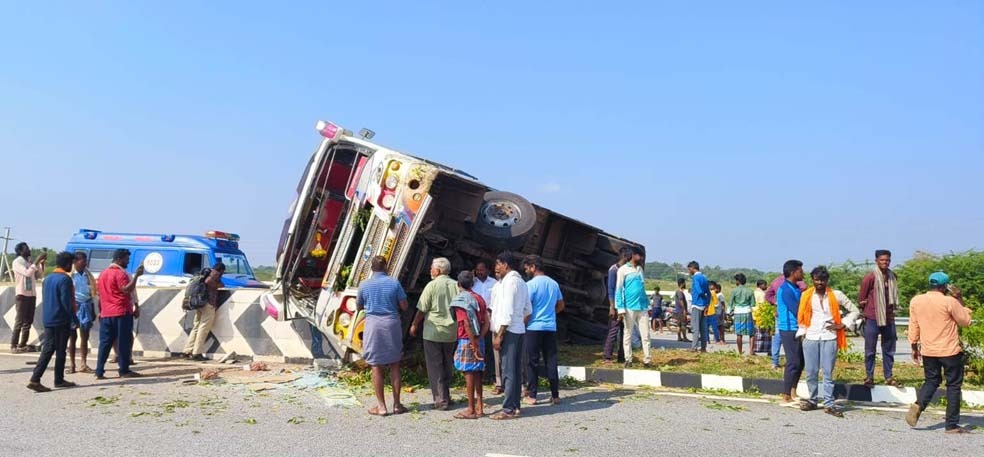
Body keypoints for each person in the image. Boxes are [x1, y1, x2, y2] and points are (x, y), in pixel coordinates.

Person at [905, 272, 974, 434]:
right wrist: (959, 298)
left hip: (928, 350)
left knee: (931, 380)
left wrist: (914, 347)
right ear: (945, 286)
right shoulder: (949, 301)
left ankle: (919, 405)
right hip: (949, 350)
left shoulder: (916, 300)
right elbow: (965, 321)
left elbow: (913, 325)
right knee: (953, 386)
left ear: (931, 284)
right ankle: (951, 425)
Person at [796, 266, 858, 417]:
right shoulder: (806, 295)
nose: (819, 283)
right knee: (811, 371)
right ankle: (813, 400)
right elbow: (802, 316)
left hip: (830, 337)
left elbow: (855, 310)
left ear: (827, 280)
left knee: (828, 372)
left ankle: (829, 403)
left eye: (822, 280)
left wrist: (842, 324)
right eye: (817, 280)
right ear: (812, 280)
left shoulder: (836, 295)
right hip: (811, 336)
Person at [357, 256, 409, 417]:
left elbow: (358, 306)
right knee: (395, 364)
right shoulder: (394, 283)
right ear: (385, 267)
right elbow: (404, 306)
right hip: (391, 324)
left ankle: (381, 407)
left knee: (376, 365)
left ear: (371, 268)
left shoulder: (364, 285)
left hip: (373, 326)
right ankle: (397, 405)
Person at [410, 257, 459, 411]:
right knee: (447, 363)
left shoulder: (431, 286)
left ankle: (440, 400)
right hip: (451, 331)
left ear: (437, 271)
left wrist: (414, 324)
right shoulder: (456, 285)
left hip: (433, 332)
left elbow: (422, 309)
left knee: (435, 366)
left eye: (431, 268)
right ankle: (446, 396)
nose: (430, 270)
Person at [27, 252, 77, 392]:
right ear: (68, 264)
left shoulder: (48, 278)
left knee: (49, 349)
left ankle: (46, 379)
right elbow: (66, 302)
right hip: (61, 319)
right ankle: (43, 379)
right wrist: (74, 318)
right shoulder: (65, 279)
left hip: (49, 318)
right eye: (71, 264)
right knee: (59, 350)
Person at [490, 252, 532, 420]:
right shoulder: (520, 282)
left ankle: (508, 409)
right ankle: (515, 406)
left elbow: (507, 311)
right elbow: (528, 310)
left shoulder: (510, 283)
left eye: (498, 265)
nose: (496, 268)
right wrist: (519, 323)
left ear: (506, 265)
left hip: (508, 331)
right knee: (513, 370)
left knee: (508, 371)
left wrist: (500, 334)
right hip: (517, 330)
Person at [521, 255, 565, 405]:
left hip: (533, 327)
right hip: (550, 327)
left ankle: (532, 395)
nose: (526, 270)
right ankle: (555, 395)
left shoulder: (531, 285)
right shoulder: (554, 284)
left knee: (532, 362)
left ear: (533, 267)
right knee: (551, 360)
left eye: (527, 267)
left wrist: (523, 324)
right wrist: (550, 314)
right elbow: (561, 305)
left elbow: (527, 309)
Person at [858, 249, 901, 388]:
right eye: (882, 260)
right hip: (873, 317)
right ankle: (869, 377)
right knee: (870, 350)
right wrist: (865, 312)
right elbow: (862, 298)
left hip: (889, 318)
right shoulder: (870, 277)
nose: (885, 262)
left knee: (889, 349)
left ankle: (888, 376)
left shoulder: (892, 276)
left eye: (887, 260)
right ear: (876, 260)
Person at [450, 271, 490, 419]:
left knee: (468, 374)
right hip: (480, 339)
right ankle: (480, 406)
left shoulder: (461, 301)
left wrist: (473, 344)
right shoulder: (479, 299)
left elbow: (466, 324)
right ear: (472, 284)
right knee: (478, 372)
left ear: (458, 284)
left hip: (467, 340)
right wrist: (480, 338)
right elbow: (487, 321)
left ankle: (470, 409)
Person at [616, 247, 651, 367]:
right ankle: (628, 359)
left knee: (645, 335)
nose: (641, 258)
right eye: (639, 256)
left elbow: (642, 288)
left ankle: (647, 360)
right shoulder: (622, 270)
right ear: (633, 255)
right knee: (628, 334)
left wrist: (647, 305)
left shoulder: (640, 269)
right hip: (629, 307)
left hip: (642, 306)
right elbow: (619, 290)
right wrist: (620, 309)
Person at [183, 263, 225, 361]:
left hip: (200, 304)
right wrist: (219, 285)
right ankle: (196, 353)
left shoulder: (205, 272)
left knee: (196, 327)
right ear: (221, 270)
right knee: (203, 328)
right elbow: (209, 281)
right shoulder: (214, 274)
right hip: (208, 304)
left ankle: (187, 351)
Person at [777, 260, 805, 403]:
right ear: (793, 272)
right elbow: (796, 310)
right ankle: (786, 394)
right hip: (788, 329)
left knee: (801, 362)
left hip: (797, 329)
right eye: (800, 270)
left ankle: (793, 391)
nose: (803, 273)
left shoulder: (795, 288)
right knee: (793, 362)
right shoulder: (786, 289)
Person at [10, 242, 45, 353]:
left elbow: (39, 275)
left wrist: (40, 264)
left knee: (28, 321)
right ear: (20, 251)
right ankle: (13, 345)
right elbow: (27, 273)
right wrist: (36, 261)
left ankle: (22, 344)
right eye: (26, 248)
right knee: (19, 321)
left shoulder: (29, 261)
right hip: (22, 294)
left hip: (31, 294)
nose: (29, 250)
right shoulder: (17, 262)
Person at [472, 261, 501, 392]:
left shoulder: (494, 283)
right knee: (478, 346)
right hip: (477, 320)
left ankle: (493, 376)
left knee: (491, 349)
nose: (479, 272)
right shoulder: (473, 283)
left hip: (491, 319)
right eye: (477, 270)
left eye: (482, 270)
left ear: (487, 271)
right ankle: (481, 375)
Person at [68, 252, 98, 373]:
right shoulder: (70, 275)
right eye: (82, 261)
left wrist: (93, 309)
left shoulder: (88, 275)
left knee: (84, 337)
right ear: (75, 262)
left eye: (86, 261)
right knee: (72, 337)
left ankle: (83, 363)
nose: (85, 263)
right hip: (74, 306)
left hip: (86, 306)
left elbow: (92, 294)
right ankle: (71, 364)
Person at [602, 248, 632, 364]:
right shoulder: (613, 270)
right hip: (616, 305)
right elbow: (611, 289)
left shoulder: (626, 270)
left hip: (626, 305)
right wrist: (612, 306)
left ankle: (622, 356)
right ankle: (607, 356)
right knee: (613, 331)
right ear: (624, 257)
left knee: (625, 332)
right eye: (629, 258)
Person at [729, 273, 756, 356]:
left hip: (738, 312)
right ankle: (751, 351)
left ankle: (740, 352)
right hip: (747, 311)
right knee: (751, 333)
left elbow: (730, 303)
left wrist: (729, 313)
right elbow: (753, 304)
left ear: (737, 281)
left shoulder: (734, 291)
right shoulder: (750, 291)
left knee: (739, 333)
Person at [688, 261, 710, 352]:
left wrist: (701, 295)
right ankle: (703, 347)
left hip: (696, 304)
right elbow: (708, 293)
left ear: (693, 268)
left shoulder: (695, 278)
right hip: (704, 306)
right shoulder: (704, 278)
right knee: (703, 328)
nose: (689, 271)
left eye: (689, 269)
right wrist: (707, 303)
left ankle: (694, 347)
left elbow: (698, 289)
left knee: (695, 327)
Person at [674, 278, 691, 342]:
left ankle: (679, 337)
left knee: (678, 325)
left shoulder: (677, 291)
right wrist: (684, 310)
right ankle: (684, 337)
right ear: (683, 283)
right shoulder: (680, 292)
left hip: (678, 310)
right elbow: (681, 301)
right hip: (681, 311)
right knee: (683, 324)